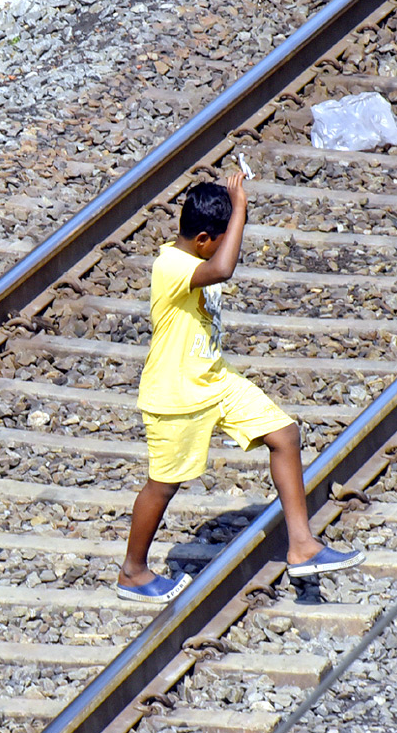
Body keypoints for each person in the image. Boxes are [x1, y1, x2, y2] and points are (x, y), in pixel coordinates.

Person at [120, 171, 364, 603]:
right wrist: (241, 213)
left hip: (215, 379)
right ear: (202, 239)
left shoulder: (193, 257)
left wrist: (234, 213)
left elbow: (220, 262)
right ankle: (132, 572)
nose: (229, 241)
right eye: (222, 235)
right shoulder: (173, 265)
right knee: (163, 485)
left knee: (285, 434)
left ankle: (302, 545)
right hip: (176, 395)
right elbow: (224, 268)